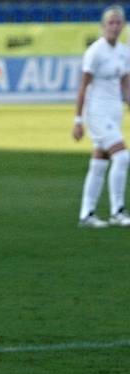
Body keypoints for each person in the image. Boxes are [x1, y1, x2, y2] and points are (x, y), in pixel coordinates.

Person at [72, 5, 130, 228]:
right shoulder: (95, 52)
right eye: (111, 23)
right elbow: (83, 87)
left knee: (99, 163)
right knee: (123, 157)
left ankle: (87, 214)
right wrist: (78, 120)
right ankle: (118, 211)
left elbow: (125, 86)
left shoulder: (124, 52)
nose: (115, 27)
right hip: (97, 112)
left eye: (118, 22)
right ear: (103, 26)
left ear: (123, 25)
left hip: (115, 112)